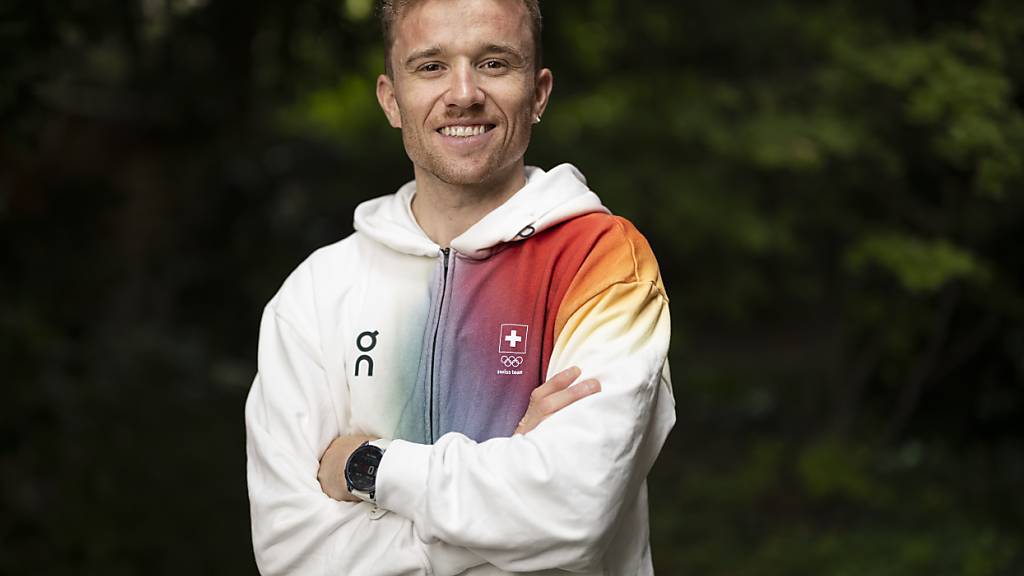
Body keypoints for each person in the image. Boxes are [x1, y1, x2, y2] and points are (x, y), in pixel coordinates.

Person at [244, 0, 675, 574]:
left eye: (494, 63)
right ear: (391, 99)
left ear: (538, 93)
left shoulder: (601, 261)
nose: (464, 94)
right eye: (431, 67)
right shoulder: (316, 292)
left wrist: (367, 469)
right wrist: (510, 491)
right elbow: (292, 555)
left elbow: (572, 514)